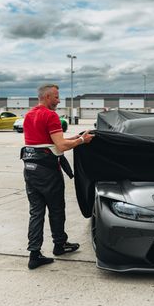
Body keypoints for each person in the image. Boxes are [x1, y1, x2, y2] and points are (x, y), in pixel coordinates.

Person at [21, 84, 94, 269]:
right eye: (56, 97)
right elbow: (60, 147)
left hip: (30, 168)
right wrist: (81, 141)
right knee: (56, 209)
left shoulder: (29, 115)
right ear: (46, 97)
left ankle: (34, 254)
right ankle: (59, 244)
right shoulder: (50, 115)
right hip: (47, 171)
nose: (59, 100)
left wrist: (76, 136)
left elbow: (48, 142)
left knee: (36, 212)